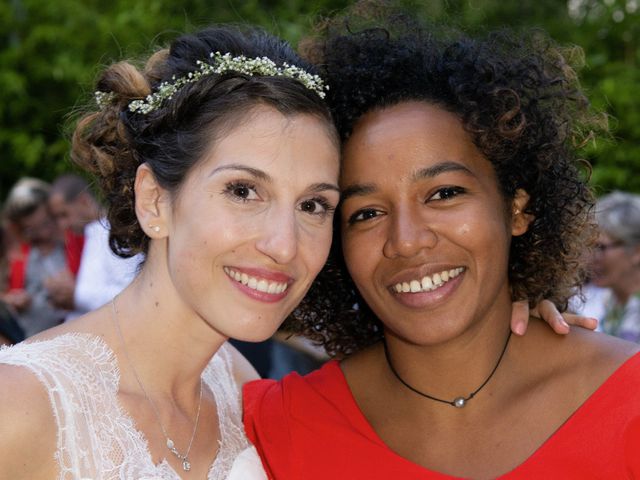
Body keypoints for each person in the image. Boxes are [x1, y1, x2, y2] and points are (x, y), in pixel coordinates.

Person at [243, 7, 640, 478]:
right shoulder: (280, 428)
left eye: (444, 194)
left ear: (516, 209)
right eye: (366, 213)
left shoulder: (627, 401)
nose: (407, 242)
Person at [0, 24, 342, 479]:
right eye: (243, 191)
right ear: (155, 201)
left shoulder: (241, 390)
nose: (284, 245)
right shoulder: (22, 407)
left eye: (313, 204)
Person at [48, 173, 140, 318]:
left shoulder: (116, 234)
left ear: (83, 201)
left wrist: (76, 294)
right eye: (57, 217)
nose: (62, 224)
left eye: (64, 214)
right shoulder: (89, 234)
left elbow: (132, 295)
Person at [1, 177, 77, 337]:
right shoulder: (18, 256)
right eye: (31, 230)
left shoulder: (72, 242)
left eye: (46, 224)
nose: (43, 234)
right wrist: (12, 300)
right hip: (35, 338)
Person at [574, 191, 640, 342]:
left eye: (601, 248)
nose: (592, 257)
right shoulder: (586, 300)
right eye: (590, 246)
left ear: (637, 251)